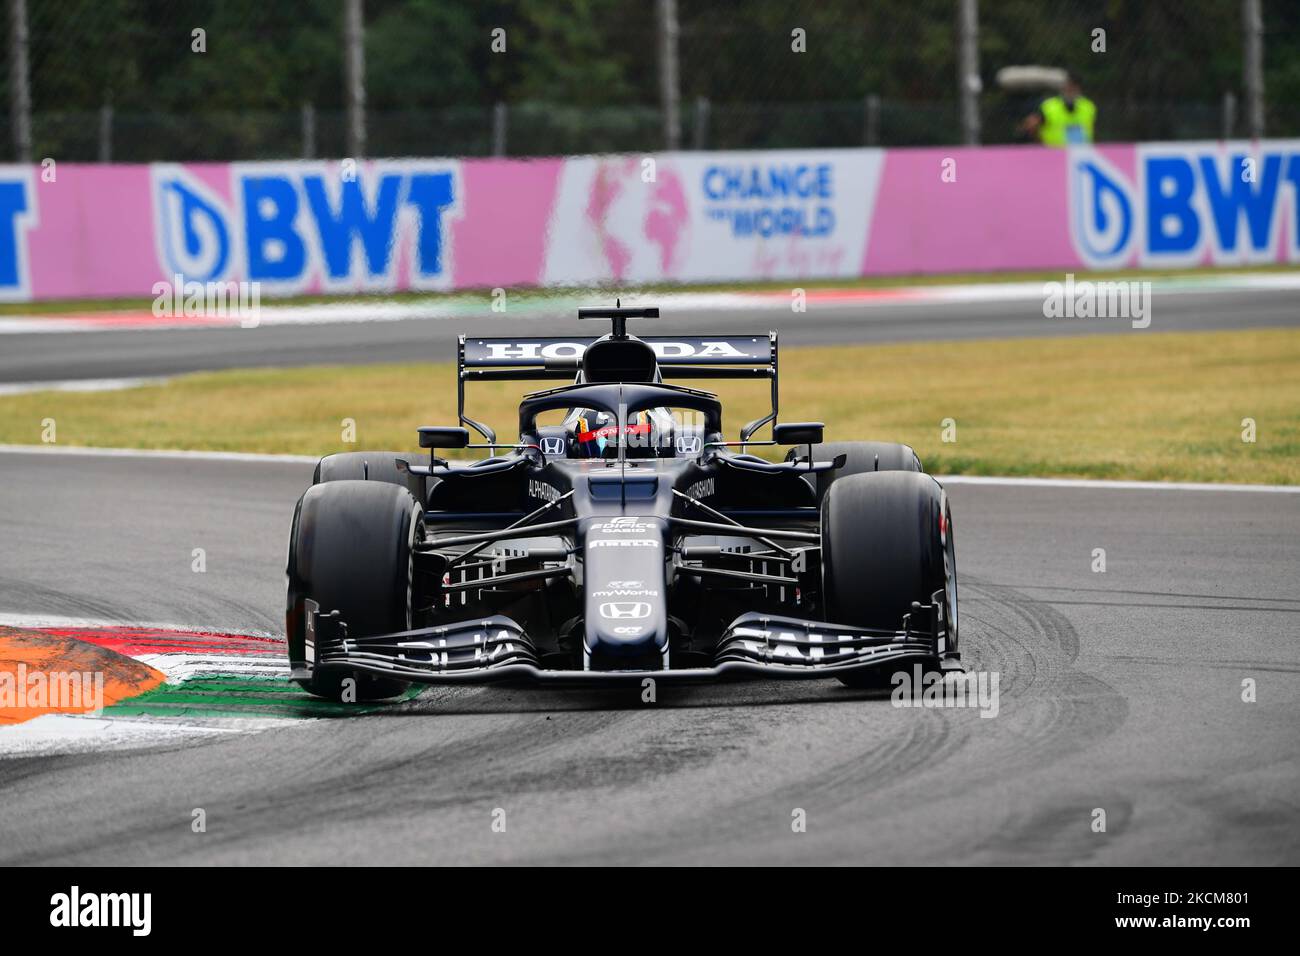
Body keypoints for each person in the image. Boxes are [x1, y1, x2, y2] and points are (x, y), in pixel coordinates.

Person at [1020, 73, 1096, 146]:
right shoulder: (1048, 106)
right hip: (1053, 151)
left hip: (1082, 151)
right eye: (1068, 86)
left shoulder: (1088, 106)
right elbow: (1030, 126)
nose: (1071, 89)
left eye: (1074, 86)